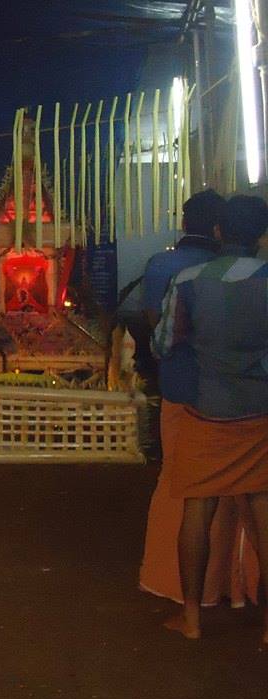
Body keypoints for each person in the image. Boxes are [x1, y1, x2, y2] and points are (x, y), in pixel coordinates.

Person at [153, 194, 268, 641]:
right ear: (261, 235)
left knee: (198, 510)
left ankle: (193, 620)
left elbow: (164, 344)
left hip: (209, 410)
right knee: (262, 510)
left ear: (218, 232)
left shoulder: (189, 280)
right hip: (260, 413)